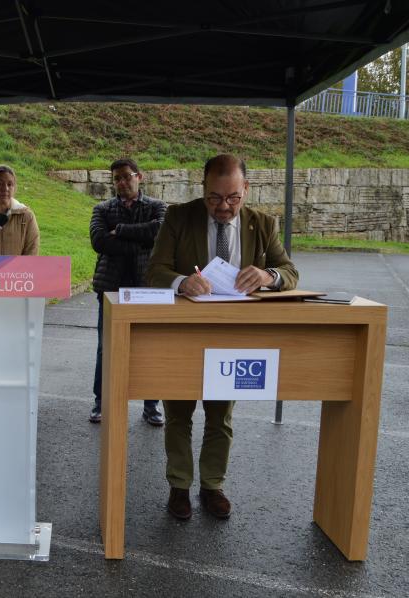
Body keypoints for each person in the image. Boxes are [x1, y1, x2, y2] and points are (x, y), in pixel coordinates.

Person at [146, 154, 299, 521]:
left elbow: (289, 272)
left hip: (232, 336)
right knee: (178, 414)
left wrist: (267, 277)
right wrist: (181, 282)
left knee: (221, 416)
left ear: (246, 189)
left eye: (233, 198)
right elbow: (155, 270)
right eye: (214, 198)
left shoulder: (262, 224)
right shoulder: (179, 217)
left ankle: (212, 485)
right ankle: (179, 486)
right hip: (184, 335)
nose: (224, 207)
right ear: (203, 190)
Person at [89, 158, 166, 425]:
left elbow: (160, 232)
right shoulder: (102, 208)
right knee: (105, 349)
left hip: (147, 288)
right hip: (111, 287)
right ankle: (102, 402)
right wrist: (140, 243)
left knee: (150, 348)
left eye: (126, 176)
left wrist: (120, 231)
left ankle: (151, 405)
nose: (121, 183)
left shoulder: (157, 207)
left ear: (139, 176)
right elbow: (99, 241)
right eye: (116, 179)